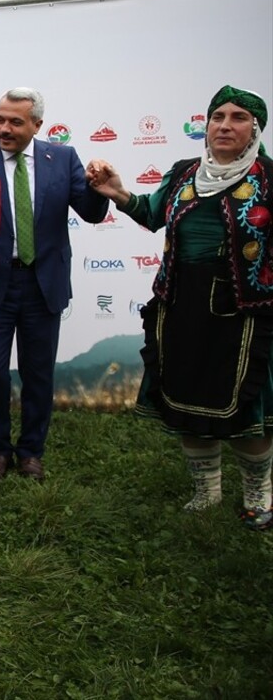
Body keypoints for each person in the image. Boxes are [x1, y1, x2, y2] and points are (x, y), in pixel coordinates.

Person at [86, 84, 273, 531]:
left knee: (248, 407)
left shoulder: (269, 178)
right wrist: (118, 193)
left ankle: (259, 497)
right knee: (187, 394)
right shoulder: (184, 172)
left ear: (255, 129)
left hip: (244, 309)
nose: (225, 125)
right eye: (218, 117)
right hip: (180, 301)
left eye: (238, 118)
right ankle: (205, 493)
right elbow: (153, 214)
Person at [0, 87, 108, 481]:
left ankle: (31, 451)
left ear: (37, 124)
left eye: (14, 121)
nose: (4, 128)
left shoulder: (62, 158)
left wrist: (99, 189)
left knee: (38, 371)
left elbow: (91, 212)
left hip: (43, 283)